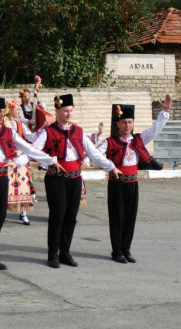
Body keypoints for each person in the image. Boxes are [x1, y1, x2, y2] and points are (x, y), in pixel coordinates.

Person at [0, 94, 61, 277]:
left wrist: (49, 160)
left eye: (3, 112)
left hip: (3, 177)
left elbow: (29, 148)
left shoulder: (8, 132)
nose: (2, 115)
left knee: (0, 217)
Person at [33, 94, 122, 269]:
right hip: (56, 179)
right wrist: (48, 161)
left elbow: (93, 153)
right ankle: (53, 253)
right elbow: (34, 151)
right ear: (57, 111)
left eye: (70, 111)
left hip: (74, 179)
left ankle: (65, 252)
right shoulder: (48, 131)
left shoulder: (78, 131)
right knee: (57, 215)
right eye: (65, 111)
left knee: (71, 217)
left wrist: (111, 166)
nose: (68, 114)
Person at [97, 96, 171, 264]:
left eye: (130, 122)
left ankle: (126, 249)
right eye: (124, 122)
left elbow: (154, 130)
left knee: (130, 217)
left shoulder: (138, 139)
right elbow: (96, 155)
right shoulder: (110, 142)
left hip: (132, 183)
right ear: (118, 124)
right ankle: (116, 251)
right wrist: (109, 166)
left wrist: (164, 112)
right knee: (117, 217)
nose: (128, 125)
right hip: (117, 184)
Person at [5, 100, 37, 225]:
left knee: (23, 184)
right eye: (17, 109)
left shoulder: (20, 124)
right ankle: (2, 210)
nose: (19, 111)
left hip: (19, 156)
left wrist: (44, 130)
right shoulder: (3, 123)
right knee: (6, 185)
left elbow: (30, 137)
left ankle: (23, 212)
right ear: (11, 110)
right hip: (7, 157)